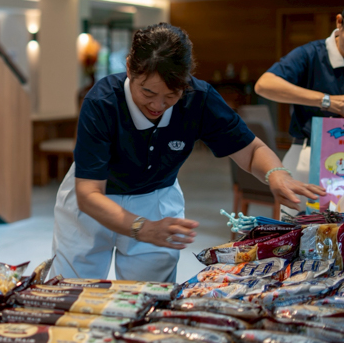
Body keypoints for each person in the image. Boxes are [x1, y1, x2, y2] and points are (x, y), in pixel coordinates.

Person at [50, 23, 324, 283]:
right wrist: (141, 227)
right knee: (73, 288)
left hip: (155, 198)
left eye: (171, 95)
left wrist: (276, 173)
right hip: (95, 199)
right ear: (130, 69)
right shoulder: (102, 102)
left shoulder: (199, 98)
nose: (158, 105)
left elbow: (251, 150)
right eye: (148, 92)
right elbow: (88, 195)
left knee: (152, 294)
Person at [255, 0, 344, 184]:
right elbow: (264, 85)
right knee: (298, 213)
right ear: (339, 22)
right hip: (308, 153)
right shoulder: (310, 54)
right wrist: (325, 100)